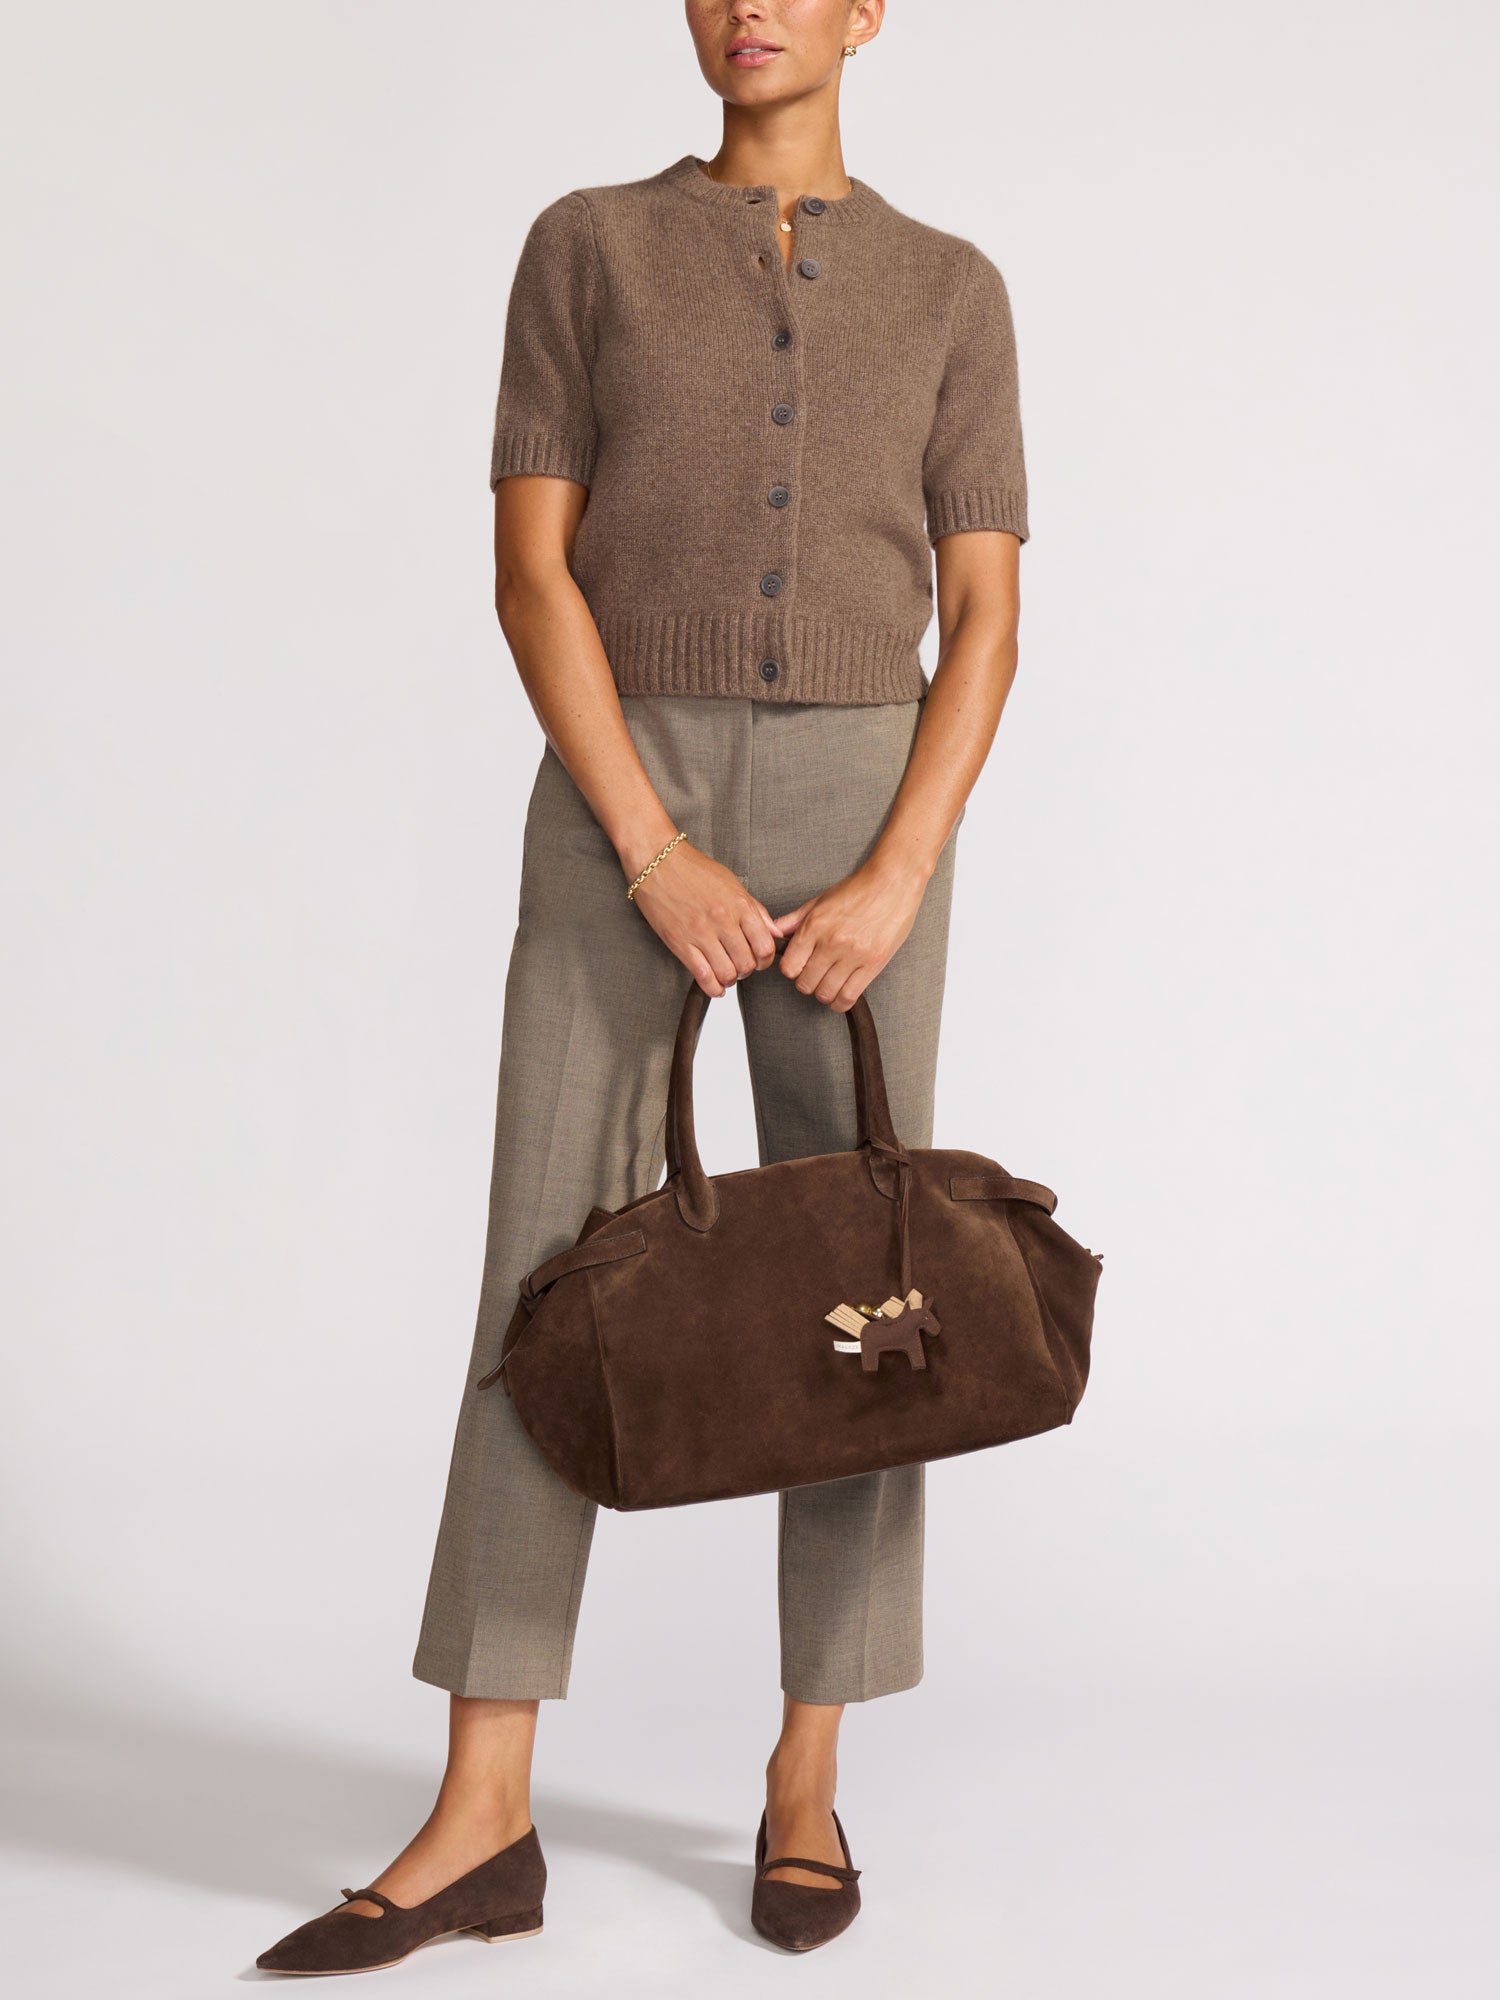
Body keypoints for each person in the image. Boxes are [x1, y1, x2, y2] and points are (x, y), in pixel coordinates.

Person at [255, 0, 1027, 1972]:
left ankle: (804, 1779)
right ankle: (482, 1806)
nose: (748, 2)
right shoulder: (586, 244)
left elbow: (990, 611)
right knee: (546, 1277)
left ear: (870, 11)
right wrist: (653, 846)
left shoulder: (954, 287)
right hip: (627, 783)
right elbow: (536, 573)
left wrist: (896, 870)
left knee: (876, 1294)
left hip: (872, 796)